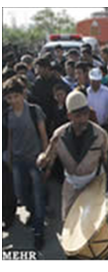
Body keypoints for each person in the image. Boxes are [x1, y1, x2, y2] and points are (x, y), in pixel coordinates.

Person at [36, 91, 108, 222]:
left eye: (85, 114)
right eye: (78, 116)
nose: (83, 120)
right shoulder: (59, 135)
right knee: (69, 221)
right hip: (71, 184)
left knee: (92, 222)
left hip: (93, 183)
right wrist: (42, 161)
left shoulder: (100, 134)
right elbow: (47, 160)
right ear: (69, 116)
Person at [3, 76, 48, 250]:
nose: (13, 100)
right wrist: (10, 158)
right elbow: (10, 138)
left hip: (36, 159)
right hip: (17, 160)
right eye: (9, 97)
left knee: (37, 195)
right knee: (20, 193)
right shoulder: (8, 115)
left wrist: (46, 157)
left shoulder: (34, 110)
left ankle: (39, 231)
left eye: (15, 96)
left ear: (23, 94)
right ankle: (36, 213)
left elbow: (44, 136)